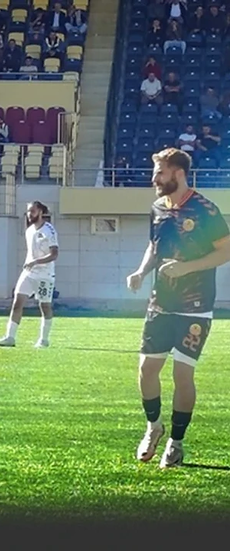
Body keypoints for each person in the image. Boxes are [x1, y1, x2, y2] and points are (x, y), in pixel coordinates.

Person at [126, 148, 230, 469]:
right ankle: (153, 427)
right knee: (146, 370)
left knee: (182, 375)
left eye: (160, 172)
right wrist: (142, 272)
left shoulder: (205, 210)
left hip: (194, 307)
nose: (154, 178)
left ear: (178, 173)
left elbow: (225, 251)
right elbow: (154, 246)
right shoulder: (157, 208)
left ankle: (176, 443)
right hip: (161, 303)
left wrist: (187, 268)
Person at [0, 201, 59, 348]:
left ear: (40, 212)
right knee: (17, 302)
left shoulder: (49, 230)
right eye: (28, 211)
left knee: (45, 306)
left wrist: (36, 261)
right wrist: (31, 263)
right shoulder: (29, 231)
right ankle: (10, 337)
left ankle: (44, 339)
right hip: (29, 273)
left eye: (32, 211)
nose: (29, 215)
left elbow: (54, 255)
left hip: (45, 275)